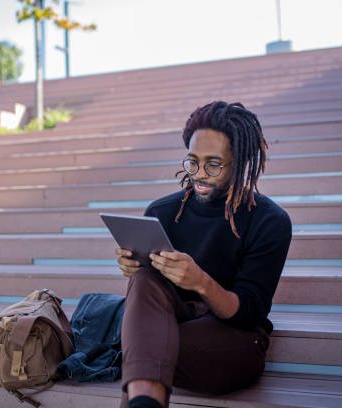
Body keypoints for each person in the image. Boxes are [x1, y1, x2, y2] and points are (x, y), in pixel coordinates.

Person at [114, 101, 292, 408]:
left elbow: (249, 313)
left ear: (239, 162)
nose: (200, 174)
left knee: (144, 345)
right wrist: (135, 265)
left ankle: (140, 373)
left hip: (232, 337)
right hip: (173, 319)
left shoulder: (270, 221)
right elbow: (151, 297)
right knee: (143, 279)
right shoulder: (162, 212)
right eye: (192, 162)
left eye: (214, 164)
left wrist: (201, 283)